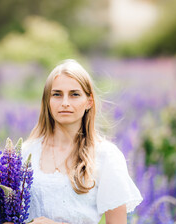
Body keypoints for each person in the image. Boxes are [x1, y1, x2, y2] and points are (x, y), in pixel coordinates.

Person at [9, 59, 142, 224]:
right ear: (47, 101)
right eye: (57, 94)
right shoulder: (26, 152)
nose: (65, 103)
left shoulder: (105, 155)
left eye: (74, 94)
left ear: (89, 101)